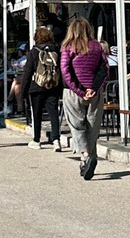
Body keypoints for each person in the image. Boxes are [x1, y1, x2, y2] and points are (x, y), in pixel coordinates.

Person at [60, 18, 107, 180]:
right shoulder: (97, 46)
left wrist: (80, 90)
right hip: (94, 92)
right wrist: (93, 88)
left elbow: (65, 71)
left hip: (74, 92)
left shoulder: (68, 47)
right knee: (93, 125)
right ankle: (87, 158)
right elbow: (104, 68)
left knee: (76, 124)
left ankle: (86, 156)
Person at [22, 28, 63, 150]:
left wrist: (24, 91)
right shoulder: (56, 50)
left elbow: (28, 72)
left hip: (37, 86)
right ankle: (56, 140)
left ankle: (37, 140)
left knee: (37, 113)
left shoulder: (34, 52)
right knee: (53, 113)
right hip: (53, 85)